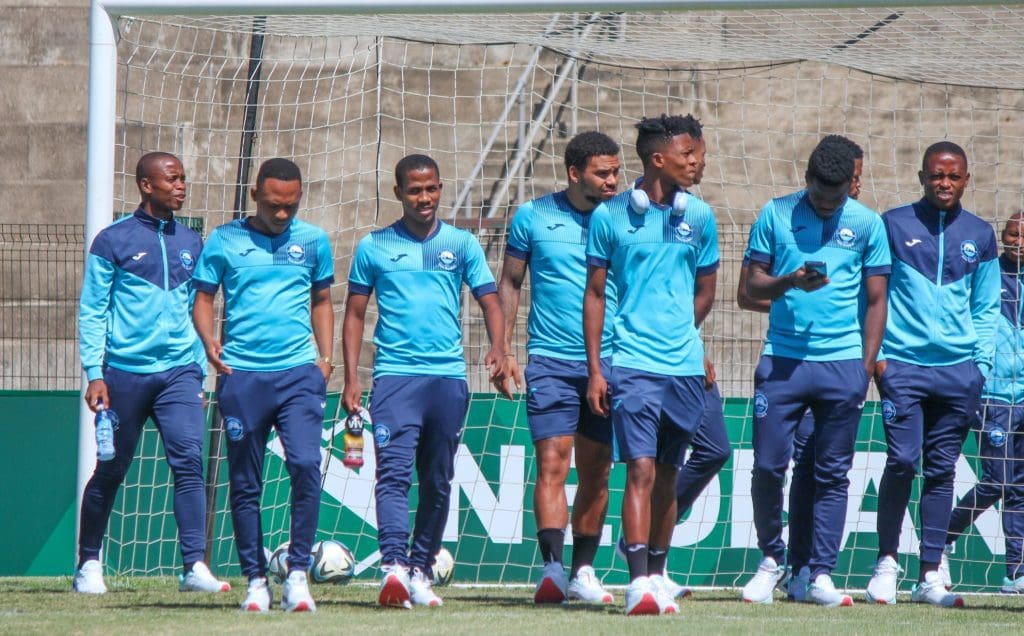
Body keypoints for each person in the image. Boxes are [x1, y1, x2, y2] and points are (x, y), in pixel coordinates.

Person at [342, 154, 511, 609]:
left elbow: (491, 301)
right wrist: (352, 375)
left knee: (437, 480)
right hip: (395, 379)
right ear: (398, 193)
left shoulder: (462, 244)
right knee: (393, 475)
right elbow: (355, 313)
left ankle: (420, 570)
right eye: (414, 190)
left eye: (431, 189)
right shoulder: (374, 247)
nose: (424, 198)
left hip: (448, 379)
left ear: (441, 188)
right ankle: (393, 567)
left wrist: (499, 347)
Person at [741, 136, 889, 607]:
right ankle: (772, 560)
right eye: (821, 196)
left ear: (852, 184)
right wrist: (789, 281)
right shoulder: (775, 213)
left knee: (831, 472)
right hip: (783, 360)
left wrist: (864, 365)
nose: (828, 205)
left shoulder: (867, 223)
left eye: (838, 196)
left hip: (842, 364)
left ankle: (818, 572)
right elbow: (749, 289)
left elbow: (877, 299)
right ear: (806, 181)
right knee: (768, 465)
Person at [74, 152, 229, 596]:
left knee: (188, 463)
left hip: (181, 373)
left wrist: (199, 369)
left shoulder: (193, 242)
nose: (180, 186)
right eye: (172, 179)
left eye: (182, 179)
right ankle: (88, 564)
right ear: (146, 184)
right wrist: (94, 372)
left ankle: (194, 566)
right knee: (112, 467)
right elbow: (92, 311)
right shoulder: (112, 241)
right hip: (123, 374)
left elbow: (199, 309)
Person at [584, 114, 718, 616]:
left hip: (683, 367)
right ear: (659, 159)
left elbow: (706, 289)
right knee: (638, 469)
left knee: (667, 474)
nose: (698, 162)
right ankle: (636, 581)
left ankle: (658, 574)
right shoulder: (610, 217)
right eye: (690, 155)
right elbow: (595, 294)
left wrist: (683, 333)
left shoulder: (700, 217)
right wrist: (598, 368)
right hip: (632, 365)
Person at [192, 158, 334, 613]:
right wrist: (209, 341)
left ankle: (296, 575)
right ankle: (255, 579)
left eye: (291, 206)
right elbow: (203, 298)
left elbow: (323, 299)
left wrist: (325, 360)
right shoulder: (224, 240)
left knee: (307, 467)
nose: (283, 214)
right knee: (245, 482)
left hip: (298, 376)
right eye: (275, 205)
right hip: (242, 378)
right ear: (255, 195)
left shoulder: (313, 240)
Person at [866, 142, 999, 607]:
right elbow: (874, 297)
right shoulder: (893, 224)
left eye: (953, 176)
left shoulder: (981, 234)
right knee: (902, 462)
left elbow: (986, 309)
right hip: (903, 367)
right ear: (922, 177)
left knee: (942, 471)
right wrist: (879, 359)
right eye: (936, 175)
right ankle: (885, 563)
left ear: (966, 179)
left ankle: (930, 573)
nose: (944, 183)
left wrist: (979, 367)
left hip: (958, 374)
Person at [497, 131, 620, 605]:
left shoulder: (624, 220)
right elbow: (510, 280)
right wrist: (504, 347)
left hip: (610, 361)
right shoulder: (533, 216)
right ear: (575, 173)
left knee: (597, 470)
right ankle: (550, 570)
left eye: (615, 171)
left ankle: (583, 572)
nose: (612, 181)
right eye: (602, 173)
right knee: (551, 462)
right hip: (549, 359)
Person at [940, 211, 1024, 594]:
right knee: (996, 480)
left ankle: (1016, 571)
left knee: (1020, 486)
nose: (1016, 242)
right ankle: (944, 533)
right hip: (992, 393)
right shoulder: (989, 272)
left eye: (1021, 236)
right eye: (1010, 235)